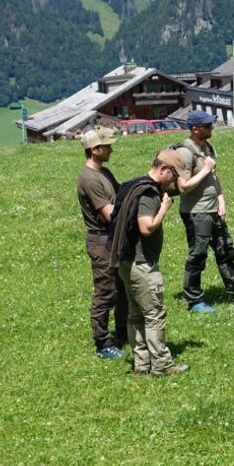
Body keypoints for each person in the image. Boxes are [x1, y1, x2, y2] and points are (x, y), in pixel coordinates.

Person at [111, 149, 190, 377]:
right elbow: (146, 227)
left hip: (126, 260)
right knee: (154, 314)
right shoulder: (148, 194)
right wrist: (164, 209)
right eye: (173, 175)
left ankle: (142, 363)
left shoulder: (134, 185)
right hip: (142, 264)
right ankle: (162, 365)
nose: (174, 181)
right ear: (163, 169)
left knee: (135, 314)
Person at [175, 110, 234, 313]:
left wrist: (220, 199)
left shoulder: (207, 147)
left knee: (226, 250)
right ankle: (194, 300)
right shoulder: (185, 153)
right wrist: (205, 169)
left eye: (211, 125)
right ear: (195, 129)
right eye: (207, 126)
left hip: (213, 209)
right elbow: (183, 187)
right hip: (196, 212)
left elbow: (214, 176)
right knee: (198, 255)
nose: (211, 128)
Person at [77, 126, 128, 359]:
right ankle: (103, 343)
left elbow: (121, 196)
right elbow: (110, 214)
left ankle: (123, 333)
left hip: (112, 238)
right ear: (95, 149)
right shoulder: (89, 179)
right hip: (101, 241)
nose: (112, 149)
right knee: (105, 293)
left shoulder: (104, 173)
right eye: (107, 146)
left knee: (122, 290)